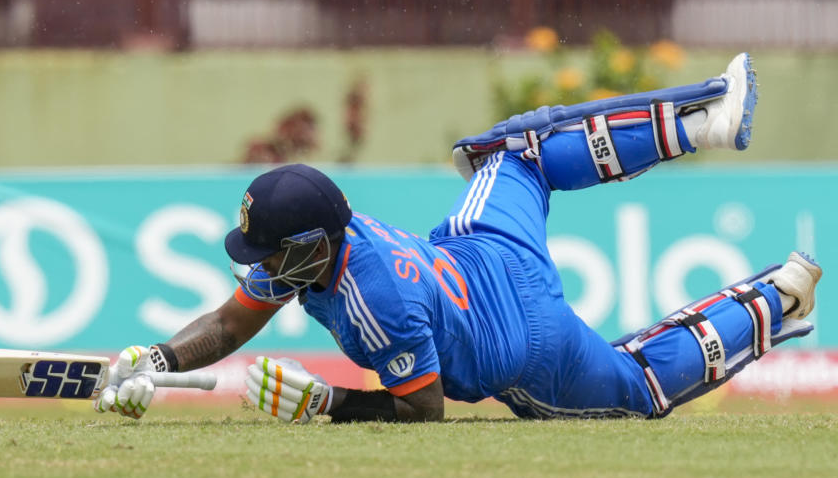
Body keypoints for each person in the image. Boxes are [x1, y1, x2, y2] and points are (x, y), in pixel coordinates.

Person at [95, 53, 822, 422]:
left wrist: (329, 404)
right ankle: (705, 130)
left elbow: (424, 409)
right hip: (482, 249)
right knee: (513, 154)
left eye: (273, 256)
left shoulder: (373, 302)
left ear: (314, 246)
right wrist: (155, 357)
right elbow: (227, 323)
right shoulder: (310, 249)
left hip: (525, 350)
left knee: (639, 386)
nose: (263, 270)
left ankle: (774, 303)